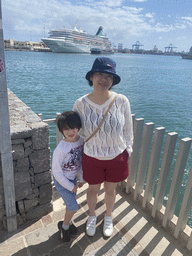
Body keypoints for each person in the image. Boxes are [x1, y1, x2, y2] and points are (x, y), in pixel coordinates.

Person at [73, 57, 133, 237]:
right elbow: (75, 133)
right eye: (99, 74)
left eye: (109, 76)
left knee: (111, 190)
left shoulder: (122, 101)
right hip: (92, 157)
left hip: (117, 157)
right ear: (91, 77)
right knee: (93, 189)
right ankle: (92, 215)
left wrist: (127, 152)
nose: (104, 79)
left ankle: (108, 216)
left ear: (113, 81)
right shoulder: (81, 104)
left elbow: (128, 130)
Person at [52, 111, 84, 242]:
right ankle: (64, 226)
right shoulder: (60, 149)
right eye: (66, 128)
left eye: (73, 127)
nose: (71, 131)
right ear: (61, 130)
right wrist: (70, 186)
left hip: (73, 179)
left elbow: (81, 161)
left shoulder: (81, 141)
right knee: (73, 207)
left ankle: (68, 222)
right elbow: (56, 172)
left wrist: (81, 178)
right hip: (62, 182)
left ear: (79, 127)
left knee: (70, 205)